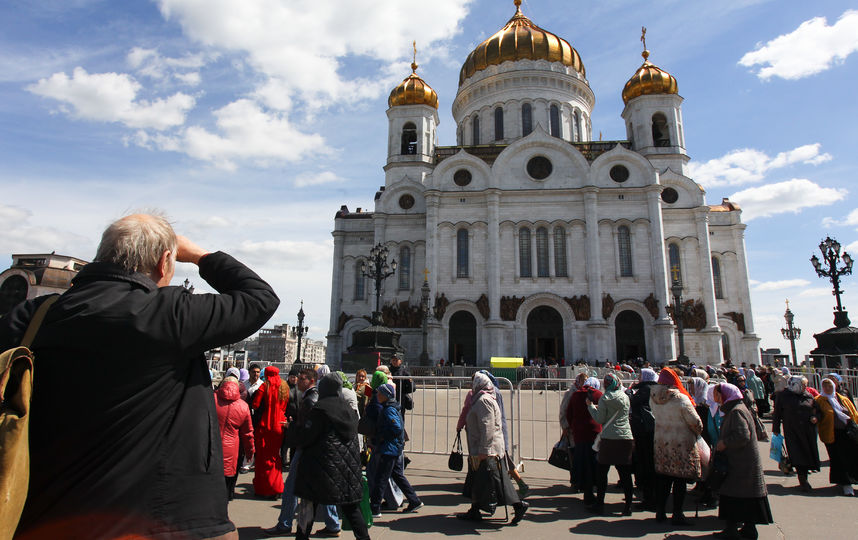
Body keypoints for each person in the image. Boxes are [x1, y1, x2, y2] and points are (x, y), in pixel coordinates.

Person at [0, 213, 279, 539]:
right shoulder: (168, 315)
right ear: (164, 263)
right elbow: (259, 298)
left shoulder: (32, 318)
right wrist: (201, 256)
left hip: (38, 515)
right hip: (150, 520)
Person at [293, 373, 370, 540]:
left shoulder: (319, 410)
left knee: (308, 508)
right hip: (346, 470)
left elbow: (306, 437)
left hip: (320, 468)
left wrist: (294, 429)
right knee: (352, 510)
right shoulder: (348, 410)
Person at [267, 369, 340, 536]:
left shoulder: (310, 400)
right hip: (318, 449)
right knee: (324, 487)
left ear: (312, 381)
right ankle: (333, 524)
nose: (297, 381)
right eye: (298, 378)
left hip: (306, 449)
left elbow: (310, 428)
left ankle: (284, 523)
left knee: (292, 487)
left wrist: (292, 428)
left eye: (302, 378)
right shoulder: (314, 397)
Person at [458, 373, 528, 524]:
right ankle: (475, 510)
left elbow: (488, 427)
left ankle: (518, 505)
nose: (472, 385)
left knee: (495, 481)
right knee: (479, 479)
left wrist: (484, 449)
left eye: (474, 382)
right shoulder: (480, 398)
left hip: (488, 451)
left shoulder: (484, 400)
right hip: (484, 449)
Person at [714, 383, 773, 539]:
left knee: (734, 495)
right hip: (742, 461)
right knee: (744, 496)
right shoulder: (737, 408)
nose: (716, 398)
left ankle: (732, 530)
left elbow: (742, 435)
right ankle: (748, 528)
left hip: (739, 462)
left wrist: (724, 443)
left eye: (718, 395)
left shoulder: (736, 412)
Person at [650, 367, 703, 526]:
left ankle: (660, 512)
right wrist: (698, 432)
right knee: (679, 481)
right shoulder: (681, 399)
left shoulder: (652, 398)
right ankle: (677, 514)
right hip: (680, 445)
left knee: (664, 479)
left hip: (661, 443)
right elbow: (696, 423)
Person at [369, 383, 423, 517]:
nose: (378, 395)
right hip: (394, 447)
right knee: (397, 475)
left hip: (389, 448)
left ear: (386, 395)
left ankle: (375, 508)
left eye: (380, 393)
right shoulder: (391, 407)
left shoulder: (389, 409)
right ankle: (414, 500)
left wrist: (382, 437)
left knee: (381, 478)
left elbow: (396, 428)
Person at [588, 372, 635, 515]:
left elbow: (600, 419)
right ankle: (628, 506)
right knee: (625, 474)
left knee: (602, 472)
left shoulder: (605, 398)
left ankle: (599, 504)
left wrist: (590, 406)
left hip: (609, 439)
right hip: (626, 437)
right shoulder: (625, 397)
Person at [771, 375, 820, 492]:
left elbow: (817, 410)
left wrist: (815, 417)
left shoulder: (808, 395)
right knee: (797, 454)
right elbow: (777, 413)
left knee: (808, 454)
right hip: (793, 431)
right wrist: (776, 429)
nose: (805, 387)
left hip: (808, 431)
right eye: (803, 385)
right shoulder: (783, 396)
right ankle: (803, 480)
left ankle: (804, 477)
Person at [815, 378, 858, 496]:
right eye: (825, 386)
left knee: (853, 457)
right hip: (832, 434)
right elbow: (816, 414)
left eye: (830, 386)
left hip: (848, 432)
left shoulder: (841, 398)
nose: (827, 389)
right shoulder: (819, 400)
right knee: (839, 459)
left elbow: (854, 412)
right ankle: (846, 484)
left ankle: (853, 479)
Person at [251, 366, 289, 498]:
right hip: (279, 424)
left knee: (263, 457)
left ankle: (264, 488)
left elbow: (255, 404)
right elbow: (285, 405)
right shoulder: (284, 387)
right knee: (275, 456)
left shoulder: (264, 386)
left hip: (265, 425)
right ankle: (277, 486)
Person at [215, 375, 255, 500]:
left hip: (211, 447)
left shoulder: (211, 400)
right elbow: (248, 433)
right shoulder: (243, 406)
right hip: (232, 449)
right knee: (227, 482)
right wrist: (250, 453)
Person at [567, 376, 603, 506]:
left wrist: (573, 427)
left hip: (579, 434)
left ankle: (584, 488)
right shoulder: (599, 394)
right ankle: (597, 490)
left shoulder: (576, 395)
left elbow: (568, 413)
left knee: (582, 461)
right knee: (596, 462)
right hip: (596, 433)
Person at [629, 367, 658, 510]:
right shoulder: (657, 390)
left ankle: (650, 497)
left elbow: (632, 401)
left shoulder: (645, 390)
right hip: (653, 432)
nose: (638, 377)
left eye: (641, 375)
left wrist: (630, 390)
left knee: (647, 463)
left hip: (645, 432)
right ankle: (652, 495)